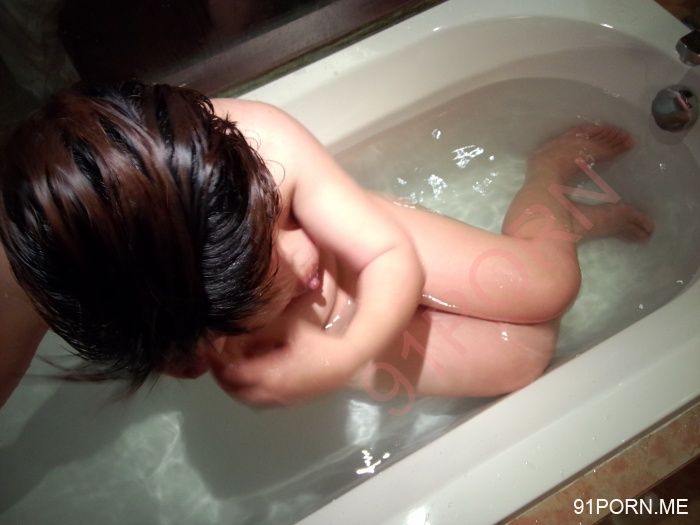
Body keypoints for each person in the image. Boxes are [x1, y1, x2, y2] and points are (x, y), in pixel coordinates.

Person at [0, 82, 653, 409]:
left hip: (363, 244)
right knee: (520, 358)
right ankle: (569, 227)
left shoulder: (257, 139)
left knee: (548, 288)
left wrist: (345, 356)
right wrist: (318, 354)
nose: (300, 253)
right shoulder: (143, 316)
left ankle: (549, 178)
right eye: (261, 278)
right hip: (311, 334)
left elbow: (386, 255)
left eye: (282, 218)